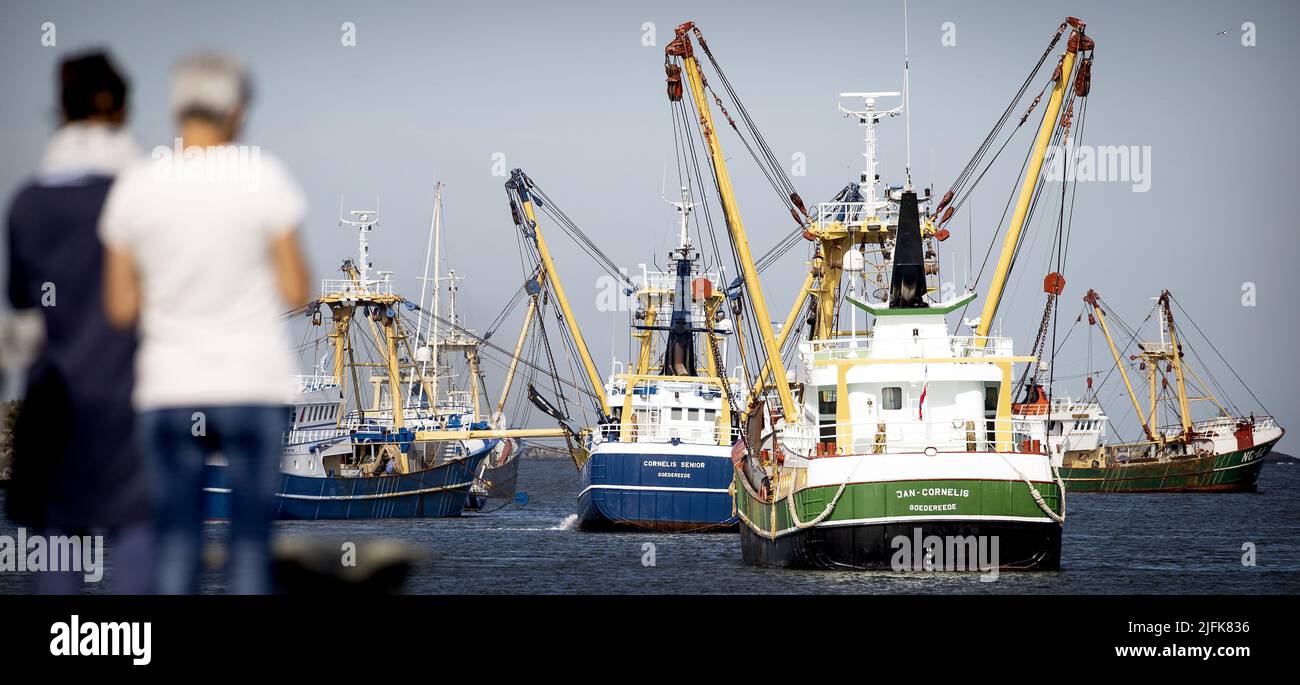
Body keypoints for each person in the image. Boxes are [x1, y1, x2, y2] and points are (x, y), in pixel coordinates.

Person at [99, 53, 311, 594]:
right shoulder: (264, 178)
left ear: (174, 109)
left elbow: (120, 308)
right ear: (237, 112)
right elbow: (297, 290)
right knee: (248, 547)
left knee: (173, 542)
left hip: (170, 390)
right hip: (250, 388)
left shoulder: (137, 186)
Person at [4, 51, 151, 594]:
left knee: (59, 540)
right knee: (138, 527)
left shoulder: (27, 204)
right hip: (131, 393)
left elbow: (22, 298)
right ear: (124, 111)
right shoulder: (144, 198)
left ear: (59, 109)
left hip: (55, 392)